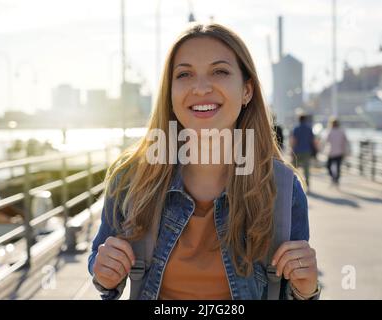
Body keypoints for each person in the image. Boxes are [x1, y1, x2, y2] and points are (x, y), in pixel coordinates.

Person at [88, 23, 319, 300]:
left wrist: (307, 289)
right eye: (184, 74)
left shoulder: (282, 189)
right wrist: (104, 275)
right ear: (170, 93)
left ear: (247, 91)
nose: (200, 88)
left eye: (219, 71)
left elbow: (291, 293)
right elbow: (102, 272)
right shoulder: (130, 180)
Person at [290, 114, 316, 189]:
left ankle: (293, 183)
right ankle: (307, 183)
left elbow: (294, 141)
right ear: (305, 120)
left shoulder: (296, 129)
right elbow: (313, 141)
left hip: (297, 151)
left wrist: (291, 150)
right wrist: (315, 150)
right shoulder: (309, 129)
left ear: (299, 120)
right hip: (307, 151)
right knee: (306, 168)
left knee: (294, 168)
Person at [323, 118, 349, 186]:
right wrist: (345, 151)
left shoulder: (330, 131)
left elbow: (326, 141)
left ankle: (334, 178)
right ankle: (336, 179)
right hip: (339, 152)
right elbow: (345, 142)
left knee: (328, 166)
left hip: (332, 152)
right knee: (338, 167)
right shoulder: (341, 131)